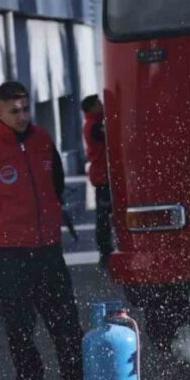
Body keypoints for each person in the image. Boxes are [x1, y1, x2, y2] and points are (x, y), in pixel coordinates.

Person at [0, 81, 85, 380]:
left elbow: (56, 184)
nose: (21, 116)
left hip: (47, 250)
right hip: (8, 253)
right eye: (14, 111)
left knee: (65, 326)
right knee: (20, 332)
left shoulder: (42, 140)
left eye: (25, 109)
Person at [81, 95, 112, 267]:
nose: (102, 105)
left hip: (101, 175)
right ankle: (105, 253)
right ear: (91, 108)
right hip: (102, 176)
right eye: (98, 104)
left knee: (104, 216)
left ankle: (106, 251)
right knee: (103, 217)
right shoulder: (94, 127)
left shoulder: (94, 124)